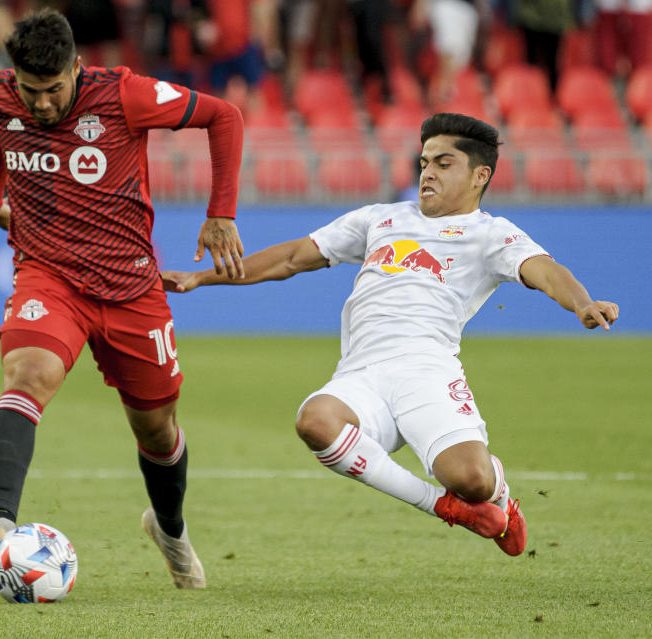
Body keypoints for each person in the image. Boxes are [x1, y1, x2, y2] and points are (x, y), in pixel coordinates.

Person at [162, 113, 619, 556]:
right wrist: (202, 279)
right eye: (424, 163)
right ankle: (441, 505)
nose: (428, 174)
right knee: (314, 420)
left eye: (444, 164)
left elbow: (543, 271)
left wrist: (581, 302)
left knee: (472, 480)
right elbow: (293, 257)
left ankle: (498, 498)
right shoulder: (380, 218)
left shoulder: (491, 234)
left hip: (427, 371)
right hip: (363, 373)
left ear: (480, 175)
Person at [0, 8, 245, 590]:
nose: (40, 104)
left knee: (157, 430)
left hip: (129, 289)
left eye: (53, 89)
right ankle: (1, 527)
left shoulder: (125, 96)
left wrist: (221, 214)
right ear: (13, 76)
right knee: (27, 373)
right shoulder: (1, 96)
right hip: (49, 278)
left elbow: (225, 115)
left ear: (77, 68)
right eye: (30, 89)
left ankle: (168, 528)